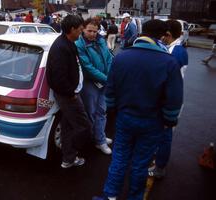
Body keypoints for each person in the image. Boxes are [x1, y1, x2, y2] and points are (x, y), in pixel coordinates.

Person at [93, 19, 183, 200]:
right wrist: (169, 120)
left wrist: (113, 110)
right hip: (152, 121)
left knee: (119, 158)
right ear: (162, 36)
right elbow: (174, 99)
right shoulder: (168, 61)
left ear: (142, 33)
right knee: (141, 163)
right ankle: (135, 196)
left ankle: (110, 195)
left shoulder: (121, 56)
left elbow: (110, 89)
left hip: (125, 117)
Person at [46, 14, 91, 169]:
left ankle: (68, 158)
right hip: (68, 96)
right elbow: (58, 78)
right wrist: (71, 94)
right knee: (83, 126)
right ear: (72, 29)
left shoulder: (68, 42)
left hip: (70, 93)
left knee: (68, 126)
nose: (82, 32)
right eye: (80, 29)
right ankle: (73, 153)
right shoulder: (61, 47)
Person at [148, 19, 188, 179]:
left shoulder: (175, 53)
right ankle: (158, 160)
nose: (160, 38)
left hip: (168, 100)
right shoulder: (176, 49)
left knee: (165, 135)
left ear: (169, 34)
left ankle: (160, 168)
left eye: (163, 34)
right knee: (163, 134)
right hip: (171, 98)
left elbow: (167, 80)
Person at [75, 18, 113, 155]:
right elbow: (87, 67)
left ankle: (100, 138)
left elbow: (109, 58)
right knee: (91, 113)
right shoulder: (79, 44)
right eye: (89, 31)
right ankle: (93, 140)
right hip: (89, 83)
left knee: (102, 111)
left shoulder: (101, 40)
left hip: (103, 82)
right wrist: (107, 79)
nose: (92, 34)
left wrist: (108, 76)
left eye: (95, 31)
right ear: (83, 29)